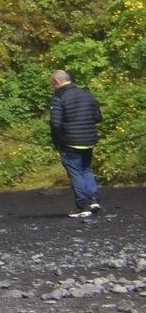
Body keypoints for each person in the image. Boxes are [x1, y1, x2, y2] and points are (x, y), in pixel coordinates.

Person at [50, 68, 104, 218]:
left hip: (70, 141)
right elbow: (98, 117)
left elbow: (55, 123)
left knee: (76, 172)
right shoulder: (87, 93)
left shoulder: (59, 97)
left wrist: (57, 141)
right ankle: (94, 199)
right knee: (86, 169)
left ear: (57, 82)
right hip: (89, 140)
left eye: (52, 84)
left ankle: (82, 205)